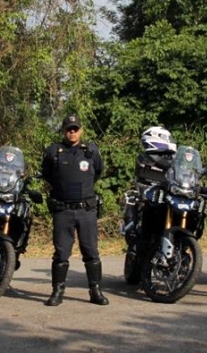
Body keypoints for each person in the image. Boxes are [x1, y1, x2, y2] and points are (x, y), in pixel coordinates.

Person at [41, 114, 107, 306]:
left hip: (86, 210)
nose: (72, 132)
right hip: (63, 210)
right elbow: (47, 174)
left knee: (91, 252)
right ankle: (57, 291)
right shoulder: (54, 151)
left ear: (81, 130)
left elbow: (98, 172)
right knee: (61, 254)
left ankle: (95, 291)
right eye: (69, 129)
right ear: (63, 131)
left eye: (75, 129)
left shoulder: (91, 151)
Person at [122, 127, 176, 280]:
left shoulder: (173, 158)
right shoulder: (145, 157)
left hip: (169, 199)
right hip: (150, 201)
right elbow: (143, 177)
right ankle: (139, 253)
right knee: (143, 226)